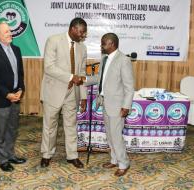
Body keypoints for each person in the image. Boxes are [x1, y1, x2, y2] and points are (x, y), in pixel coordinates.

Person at [83, 33, 134, 176]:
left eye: (103, 43)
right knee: (110, 135)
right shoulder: (105, 58)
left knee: (116, 136)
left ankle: (124, 163)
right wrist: (82, 79)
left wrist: (126, 106)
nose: (101, 46)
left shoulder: (123, 60)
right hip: (105, 102)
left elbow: (129, 87)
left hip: (118, 106)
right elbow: (99, 79)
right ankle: (114, 160)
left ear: (112, 44)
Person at [40, 17, 87, 168]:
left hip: (72, 93)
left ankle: (72, 156)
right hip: (53, 91)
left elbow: (82, 73)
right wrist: (70, 77)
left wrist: (84, 96)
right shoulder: (53, 40)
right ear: (73, 29)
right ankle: (46, 154)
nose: (82, 36)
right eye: (81, 32)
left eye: (84, 33)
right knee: (50, 125)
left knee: (71, 125)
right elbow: (49, 67)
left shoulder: (82, 48)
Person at [0, 22, 26, 172]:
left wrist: (20, 89)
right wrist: (7, 94)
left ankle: (10, 154)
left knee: (12, 129)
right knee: (0, 131)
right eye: (6, 31)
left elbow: (20, 73)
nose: (10, 34)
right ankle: (2, 159)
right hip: (1, 99)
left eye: (10, 31)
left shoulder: (16, 49)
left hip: (16, 96)